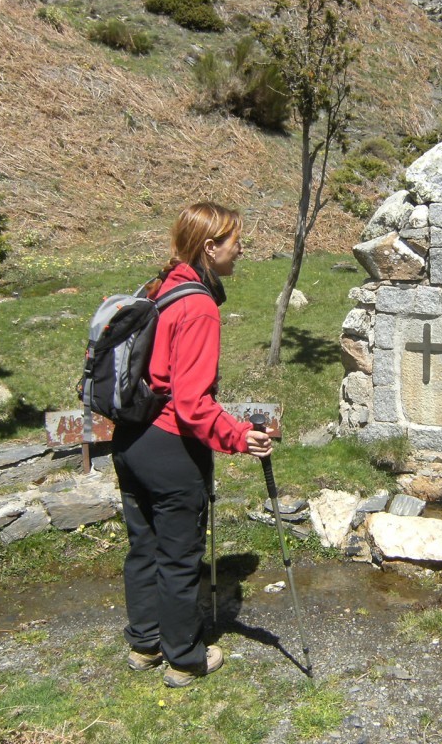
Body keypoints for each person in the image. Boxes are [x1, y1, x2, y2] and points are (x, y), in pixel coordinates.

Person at [112, 202, 272, 688]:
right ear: (210, 247)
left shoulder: (161, 287)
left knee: (144, 545)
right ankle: (184, 658)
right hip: (169, 449)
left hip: (130, 439)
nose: (240, 249)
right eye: (234, 241)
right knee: (180, 556)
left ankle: (145, 645)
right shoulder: (198, 305)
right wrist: (241, 437)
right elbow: (192, 405)